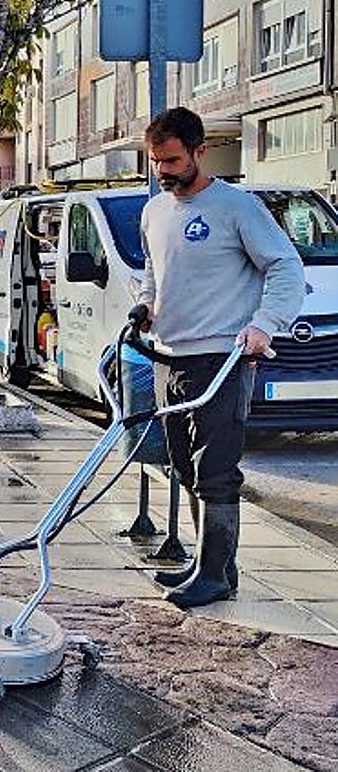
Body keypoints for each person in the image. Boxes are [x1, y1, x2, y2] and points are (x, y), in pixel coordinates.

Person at [129, 107, 304, 609]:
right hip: (168, 356)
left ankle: (214, 575)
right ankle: (213, 565)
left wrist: (263, 326)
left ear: (200, 152)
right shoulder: (154, 211)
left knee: (217, 470)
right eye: (155, 161)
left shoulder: (237, 208)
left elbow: (285, 268)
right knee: (183, 467)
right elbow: (154, 275)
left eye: (172, 160)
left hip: (222, 360)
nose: (162, 170)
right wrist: (145, 306)